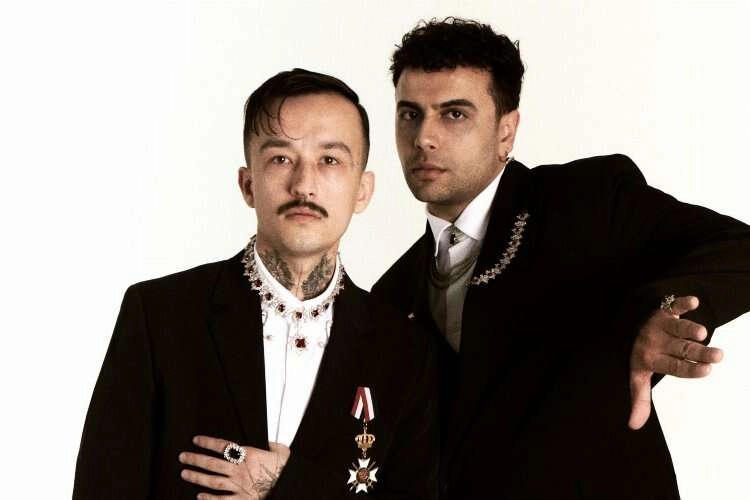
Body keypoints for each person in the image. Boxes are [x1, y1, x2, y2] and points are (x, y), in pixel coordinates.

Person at [371, 18, 750, 499]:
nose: (424, 137)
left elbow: (739, 247)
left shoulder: (586, 202)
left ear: (506, 132)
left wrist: (656, 311)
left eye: (454, 114)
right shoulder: (392, 293)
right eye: (410, 114)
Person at [73, 68, 439, 499]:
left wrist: (287, 486)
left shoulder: (404, 350)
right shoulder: (159, 316)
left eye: (330, 160)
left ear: (362, 190)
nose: (304, 185)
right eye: (281, 158)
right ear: (248, 184)